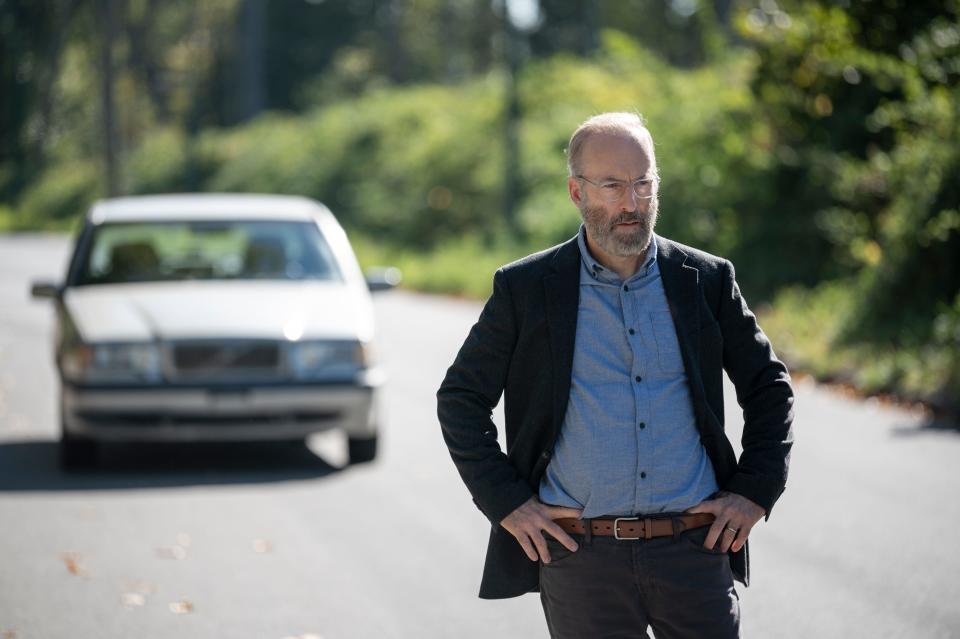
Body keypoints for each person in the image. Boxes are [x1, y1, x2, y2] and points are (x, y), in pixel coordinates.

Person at [436, 112, 795, 638]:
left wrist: (757, 489)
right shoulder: (527, 288)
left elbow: (769, 387)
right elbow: (461, 398)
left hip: (695, 550)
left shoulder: (706, 280)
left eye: (643, 183)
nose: (632, 203)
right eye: (612, 186)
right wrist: (507, 502)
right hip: (580, 559)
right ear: (576, 192)